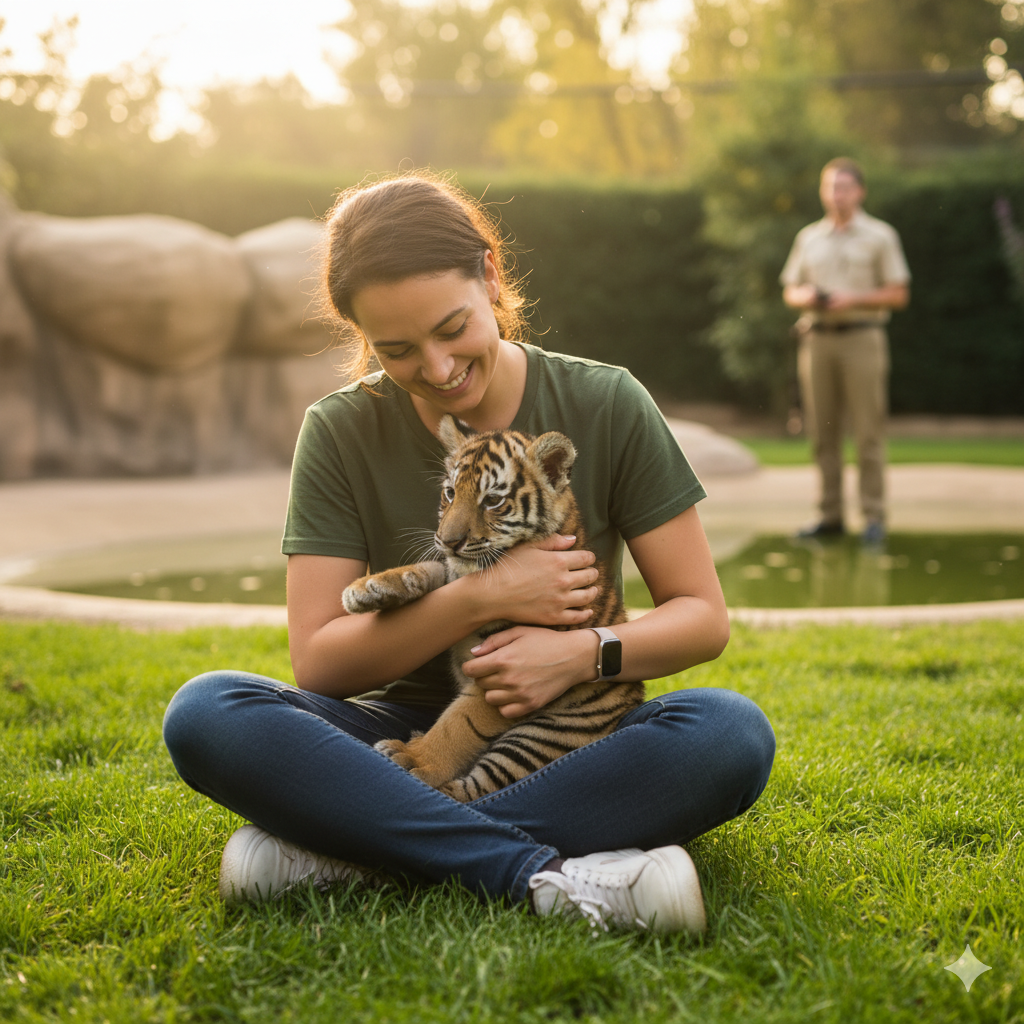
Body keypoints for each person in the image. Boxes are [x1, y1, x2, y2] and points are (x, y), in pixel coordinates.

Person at [162, 173, 775, 934]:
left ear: (490, 275)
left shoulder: (608, 400)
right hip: (393, 729)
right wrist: (479, 597)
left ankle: (346, 851)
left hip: (568, 724)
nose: (438, 368)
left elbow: (701, 618)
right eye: (396, 349)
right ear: (360, 336)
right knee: (209, 711)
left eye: (452, 328)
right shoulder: (338, 430)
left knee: (728, 733)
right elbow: (320, 661)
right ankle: (540, 875)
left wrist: (583, 654)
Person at [781, 157, 910, 545]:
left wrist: (852, 299)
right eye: (830, 187)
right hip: (816, 339)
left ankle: (874, 517)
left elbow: (899, 293)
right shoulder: (809, 238)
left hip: (863, 337)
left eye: (844, 187)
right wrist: (808, 297)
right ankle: (830, 516)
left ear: (859, 191)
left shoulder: (880, 236)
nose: (836, 194)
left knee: (868, 431)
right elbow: (791, 289)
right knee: (822, 433)